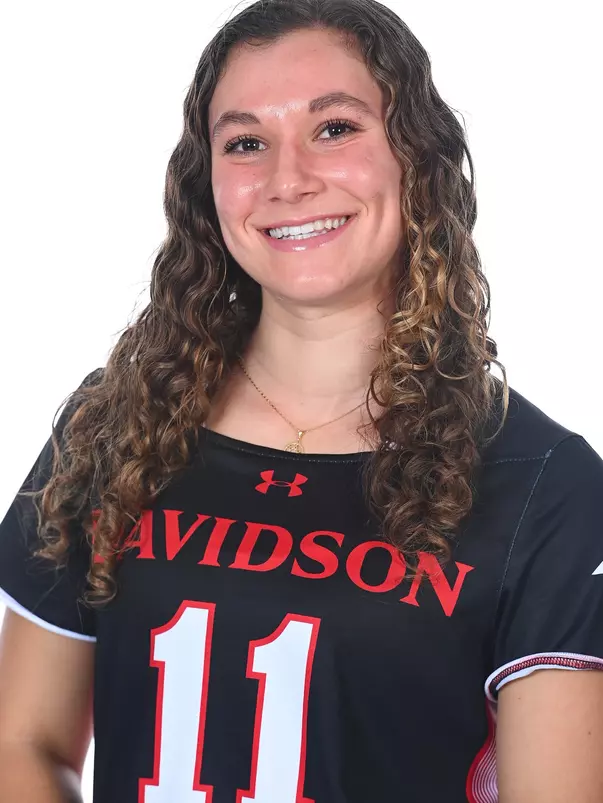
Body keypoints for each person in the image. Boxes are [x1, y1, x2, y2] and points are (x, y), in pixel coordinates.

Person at [1, 0, 603, 801]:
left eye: (335, 128)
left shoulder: (541, 483)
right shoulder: (117, 426)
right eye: (246, 143)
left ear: (414, 157)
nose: (287, 180)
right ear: (204, 182)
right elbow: (23, 742)